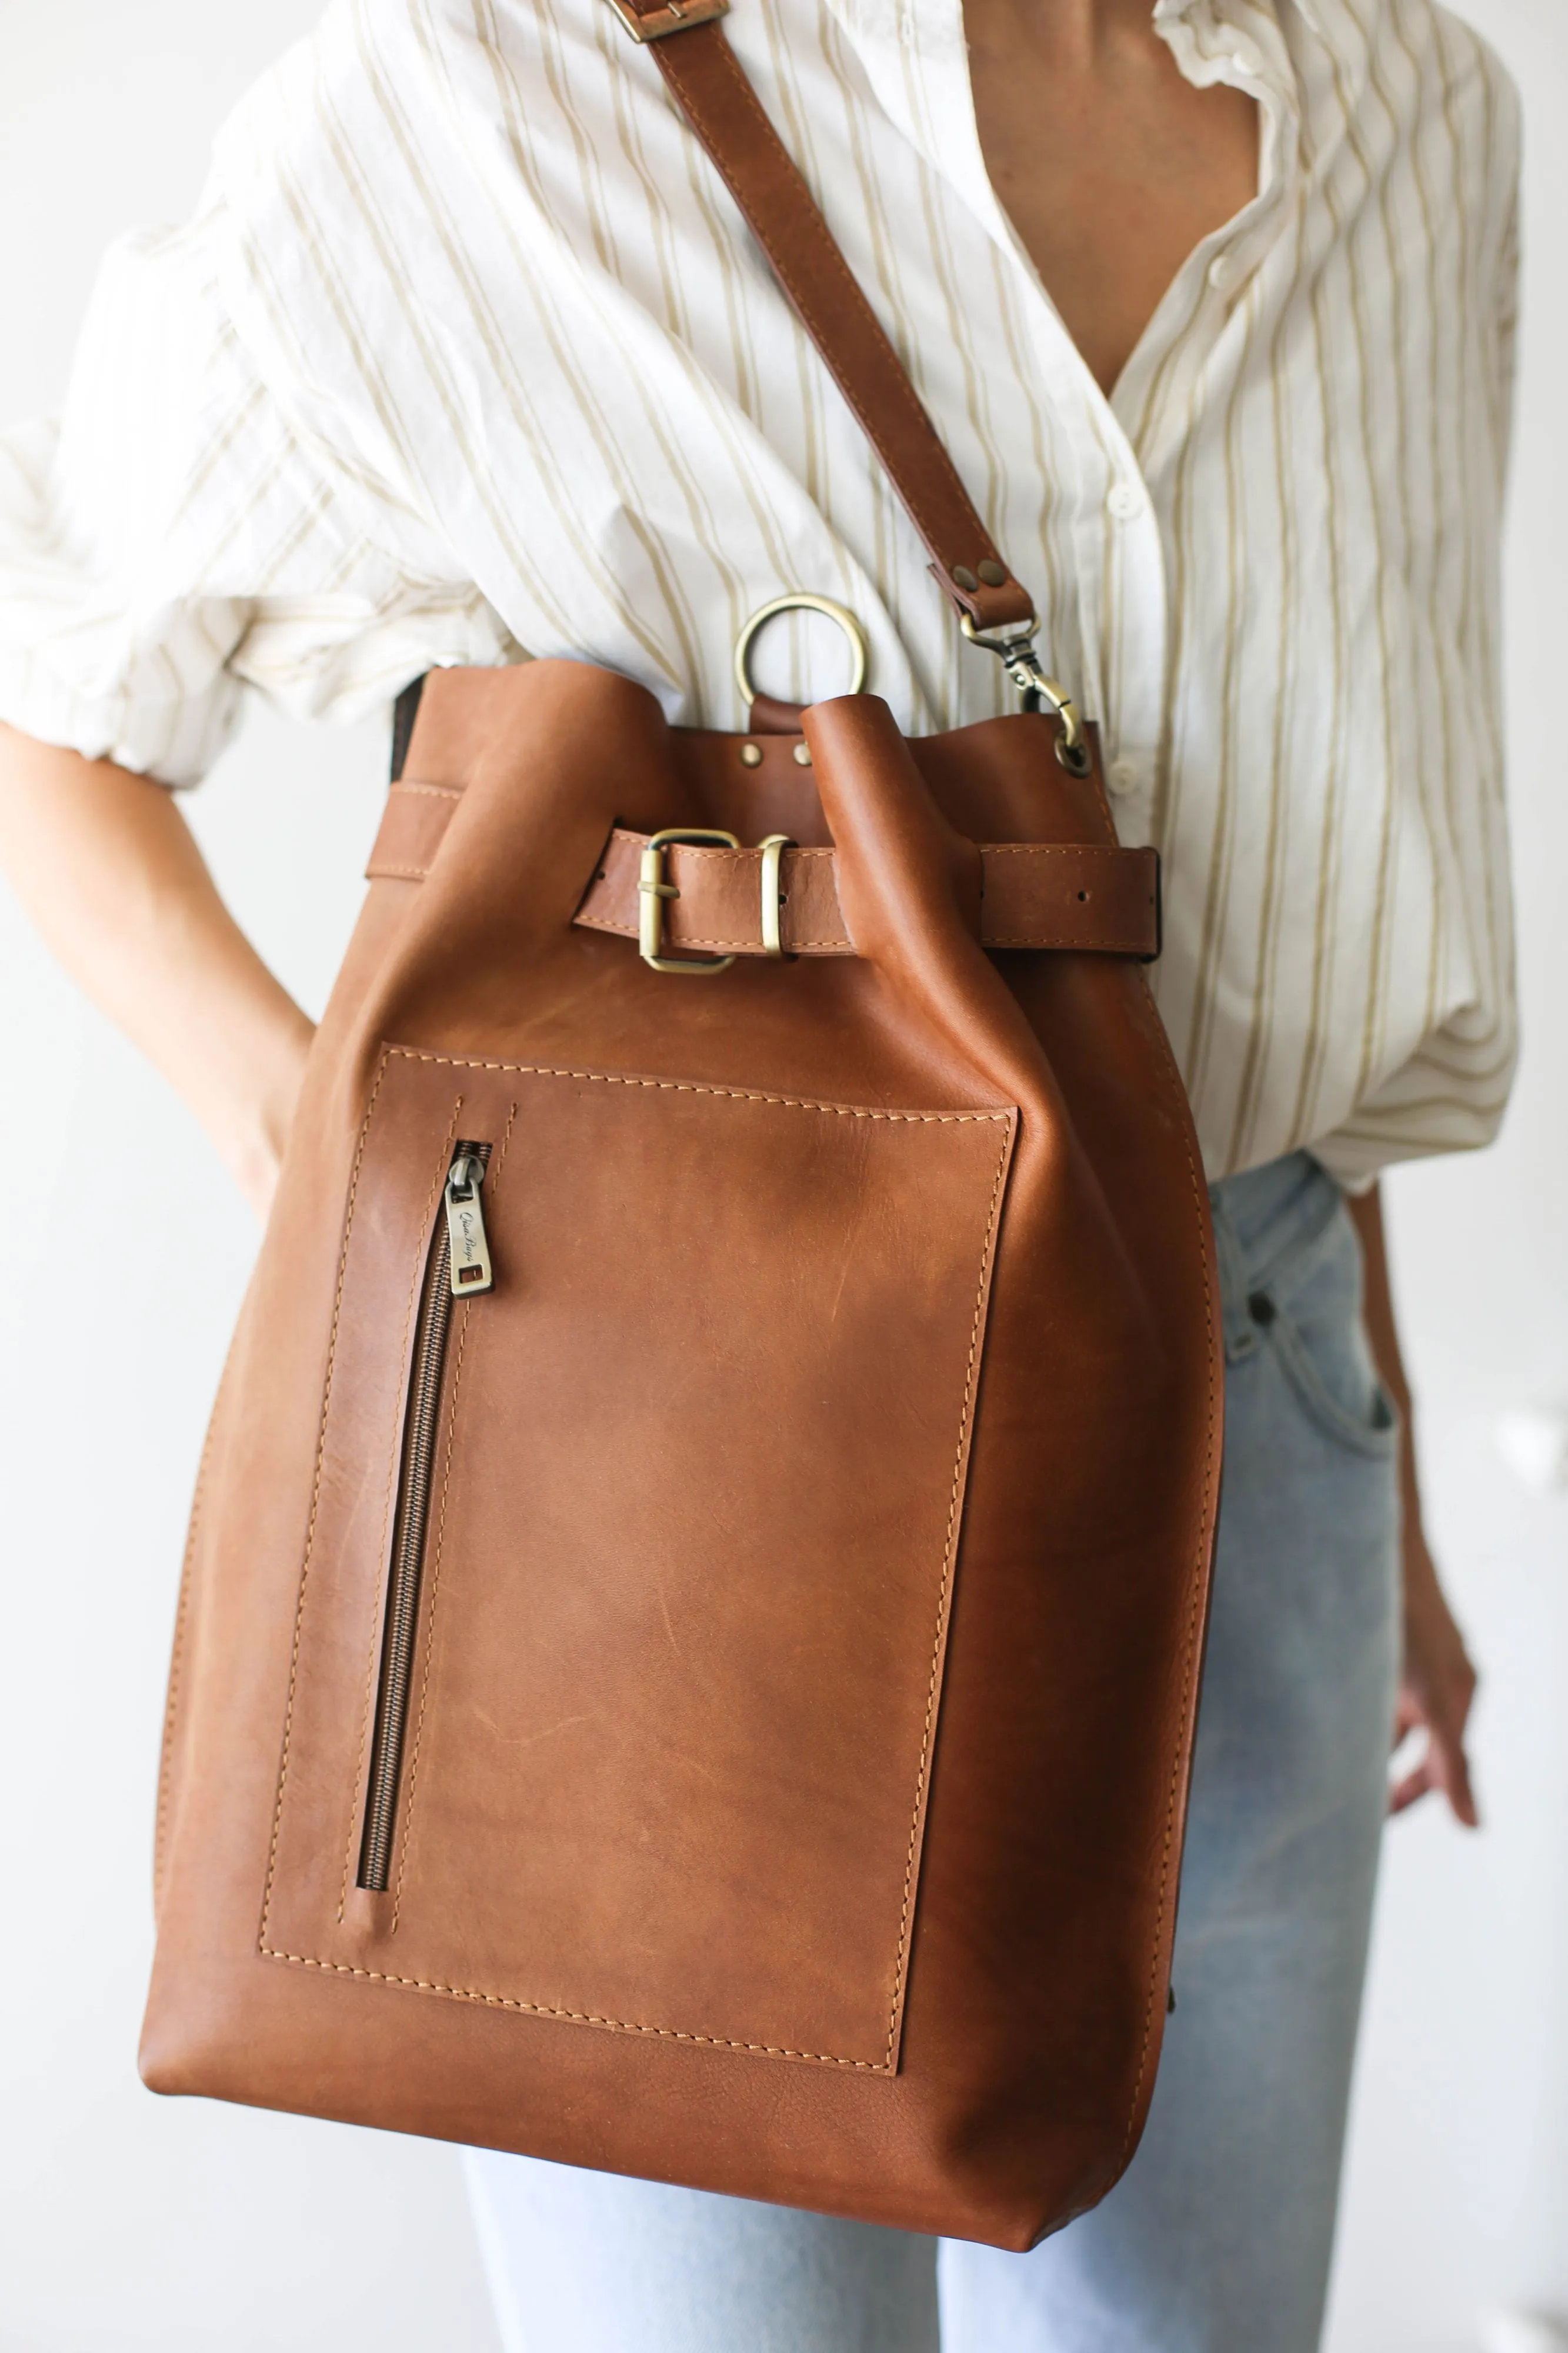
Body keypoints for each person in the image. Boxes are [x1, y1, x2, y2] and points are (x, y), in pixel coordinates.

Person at [0, 0, 1516, 2345]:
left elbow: (1262, 936)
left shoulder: (1417, 117)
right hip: (661, 1495)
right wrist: (326, 1163)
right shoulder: (473, 107)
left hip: (1264, 1416)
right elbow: (52, 698)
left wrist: (1374, 1461)